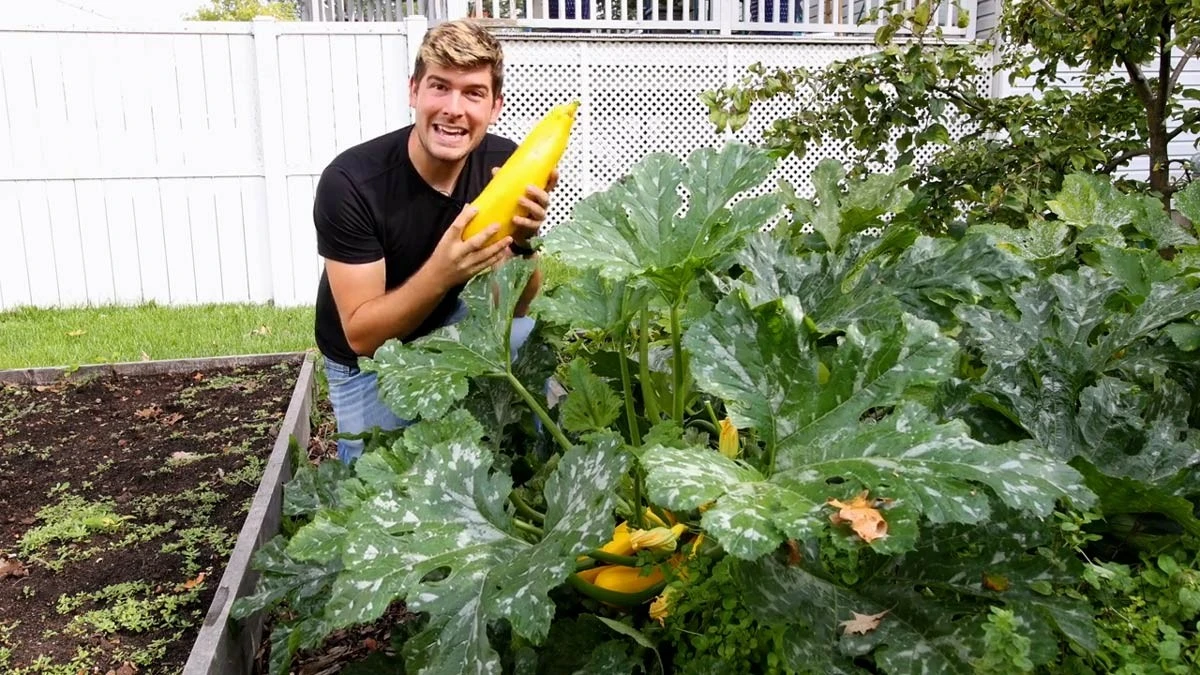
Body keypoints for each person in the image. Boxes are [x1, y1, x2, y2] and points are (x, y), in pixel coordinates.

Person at [312, 19, 553, 464]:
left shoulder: (504, 163)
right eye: (439, 87)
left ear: (495, 105)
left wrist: (522, 243)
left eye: (473, 93)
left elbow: (515, 307)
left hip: (453, 328)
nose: (453, 109)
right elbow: (363, 336)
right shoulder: (351, 183)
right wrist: (444, 273)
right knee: (377, 493)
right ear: (414, 92)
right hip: (369, 361)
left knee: (525, 338)